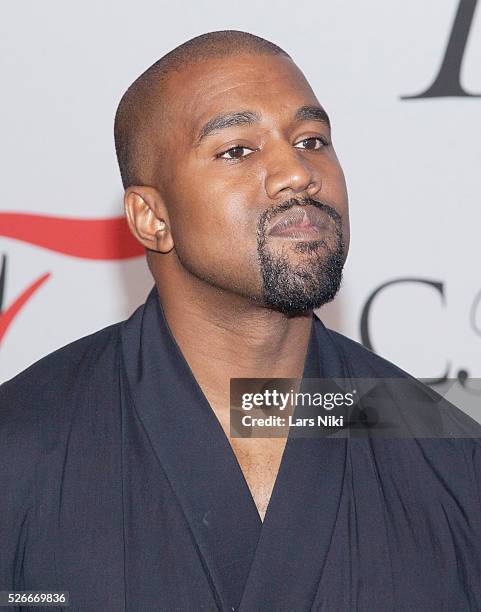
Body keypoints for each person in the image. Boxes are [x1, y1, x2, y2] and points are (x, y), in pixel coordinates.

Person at [1, 30, 480, 612]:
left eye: (312, 139)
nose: (297, 172)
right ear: (151, 217)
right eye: (238, 150)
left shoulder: (447, 447)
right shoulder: (21, 447)